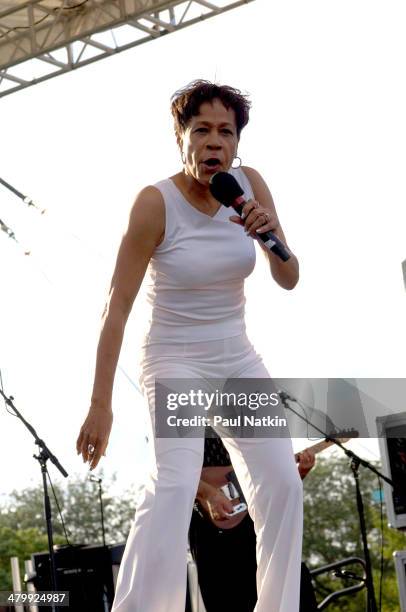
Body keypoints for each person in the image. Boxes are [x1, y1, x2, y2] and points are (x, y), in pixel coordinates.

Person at [76, 80, 302, 612]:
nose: (213, 141)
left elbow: (290, 279)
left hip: (236, 356)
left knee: (283, 485)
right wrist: (100, 404)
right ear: (182, 138)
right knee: (176, 489)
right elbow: (115, 308)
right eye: (201, 129)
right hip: (173, 357)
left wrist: (271, 238)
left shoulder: (249, 187)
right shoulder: (156, 203)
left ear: (236, 142)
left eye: (225, 131)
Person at [189, 433, 317, 612]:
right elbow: (168, 469)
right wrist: (208, 494)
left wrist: (299, 473)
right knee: (226, 595)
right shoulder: (179, 413)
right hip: (208, 524)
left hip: (255, 519)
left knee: (287, 581)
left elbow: (266, 482)